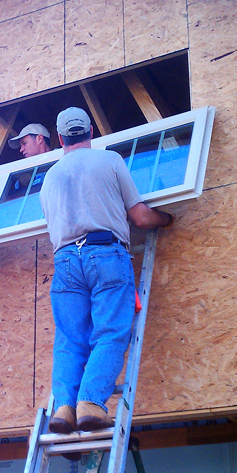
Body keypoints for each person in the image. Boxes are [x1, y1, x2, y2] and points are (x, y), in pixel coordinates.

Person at [39, 107, 173, 435]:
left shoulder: (49, 178)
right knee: (110, 330)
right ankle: (90, 403)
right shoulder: (110, 160)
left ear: (59, 139)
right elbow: (140, 216)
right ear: (91, 132)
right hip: (105, 253)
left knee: (70, 339)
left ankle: (64, 409)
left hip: (66, 260)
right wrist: (167, 219)